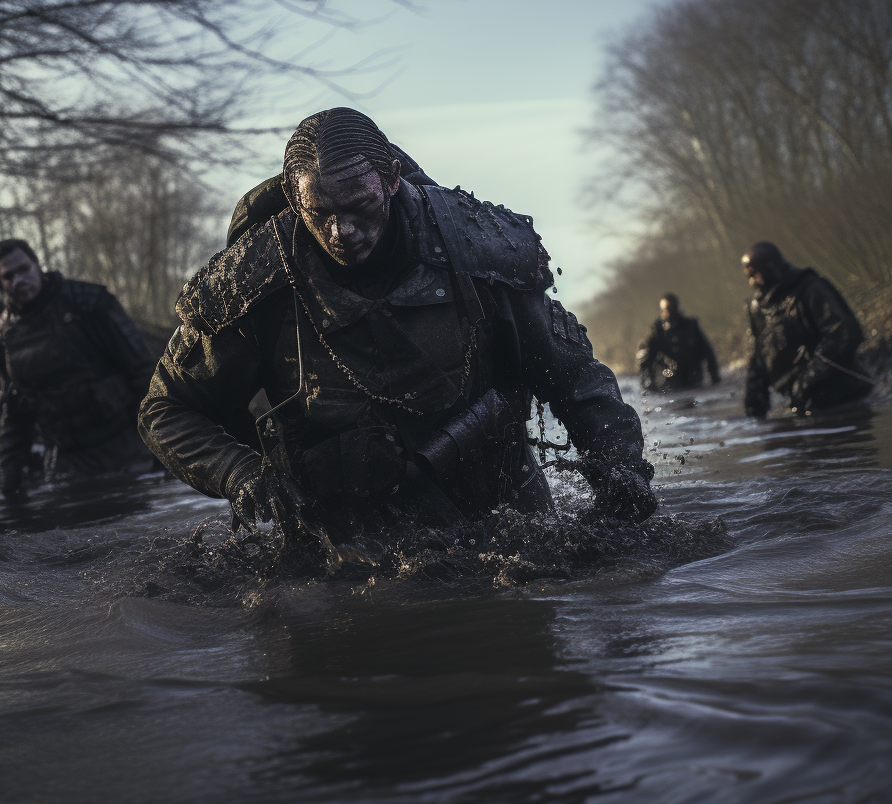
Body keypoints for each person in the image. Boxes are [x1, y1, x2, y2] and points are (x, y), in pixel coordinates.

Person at [139, 108, 656, 545]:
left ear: (390, 179)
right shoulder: (253, 284)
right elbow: (166, 409)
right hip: (348, 548)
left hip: (506, 528)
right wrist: (239, 473)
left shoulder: (478, 249)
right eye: (320, 213)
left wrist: (621, 478)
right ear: (295, 201)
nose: (342, 231)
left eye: (360, 207)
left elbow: (575, 379)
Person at [0, 239, 156, 499]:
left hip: (125, 447)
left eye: (23, 270)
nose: (18, 280)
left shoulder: (88, 303)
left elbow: (143, 372)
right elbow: (15, 416)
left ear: (37, 265)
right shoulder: (2, 338)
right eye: (8, 276)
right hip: (64, 461)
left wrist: (164, 443)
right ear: (0, 284)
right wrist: (9, 488)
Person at [742, 241, 873, 417]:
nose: (753, 282)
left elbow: (844, 334)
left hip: (841, 397)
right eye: (749, 275)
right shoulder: (757, 309)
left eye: (756, 275)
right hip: (802, 404)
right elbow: (759, 356)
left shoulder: (810, 288)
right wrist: (754, 403)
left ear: (771, 268)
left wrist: (806, 380)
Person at [636, 293, 720, 391]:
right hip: (669, 380)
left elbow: (708, 353)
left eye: (672, 308)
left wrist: (715, 378)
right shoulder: (657, 332)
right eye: (667, 309)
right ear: (662, 311)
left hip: (693, 378)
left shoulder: (690, 327)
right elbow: (646, 361)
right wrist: (649, 384)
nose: (669, 312)